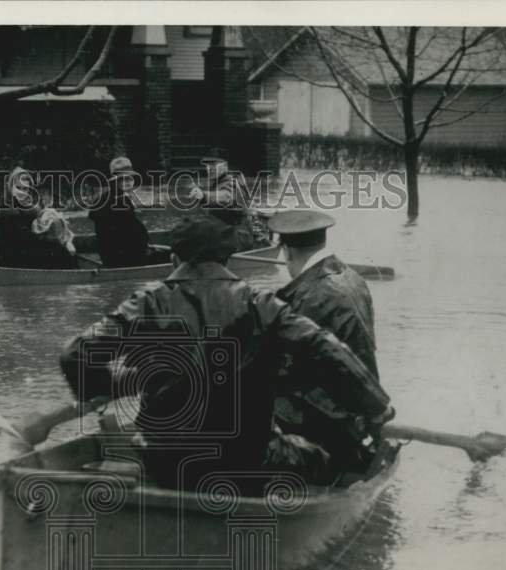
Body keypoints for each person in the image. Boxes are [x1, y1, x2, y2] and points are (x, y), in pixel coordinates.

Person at [58, 213, 394, 489]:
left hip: (164, 461)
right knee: (324, 459)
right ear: (227, 259)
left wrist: (103, 390)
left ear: (175, 259)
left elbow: (75, 352)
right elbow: (328, 351)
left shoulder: (147, 302)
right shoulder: (261, 304)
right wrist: (377, 409)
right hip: (246, 464)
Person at [268, 209, 381, 471]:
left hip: (329, 417)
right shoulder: (354, 278)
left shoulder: (310, 296)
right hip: (359, 402)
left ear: (287, 252)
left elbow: (288, 368)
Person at [0, 167, 79, 269]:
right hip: (11, 257)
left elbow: (39, 225)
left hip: (24, 249)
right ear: (11, 187)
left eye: (25, 188)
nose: (22, 192)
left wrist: (64, 238)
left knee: (62, 248)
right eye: (18, 187)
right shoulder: (7, 209)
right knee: (58, 250)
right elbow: (24, 237)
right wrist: (56, 243)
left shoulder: (28, 204)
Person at [187, 150, 262, 252]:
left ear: (225, 166)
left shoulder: (232, 182)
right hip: (226, 234)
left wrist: (204, 196)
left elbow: (226, 197)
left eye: (215, 165)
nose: (210, 168)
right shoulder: (217, 183)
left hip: (239, 237)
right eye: (208, 165)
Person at [87, 156, 153, 268]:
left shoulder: (112, 197)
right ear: (115, 181)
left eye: (129, 178)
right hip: (122, 259)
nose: (127, 182)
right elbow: (129, 232)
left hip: (114, 256)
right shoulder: (118, 201)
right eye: (122, 179)